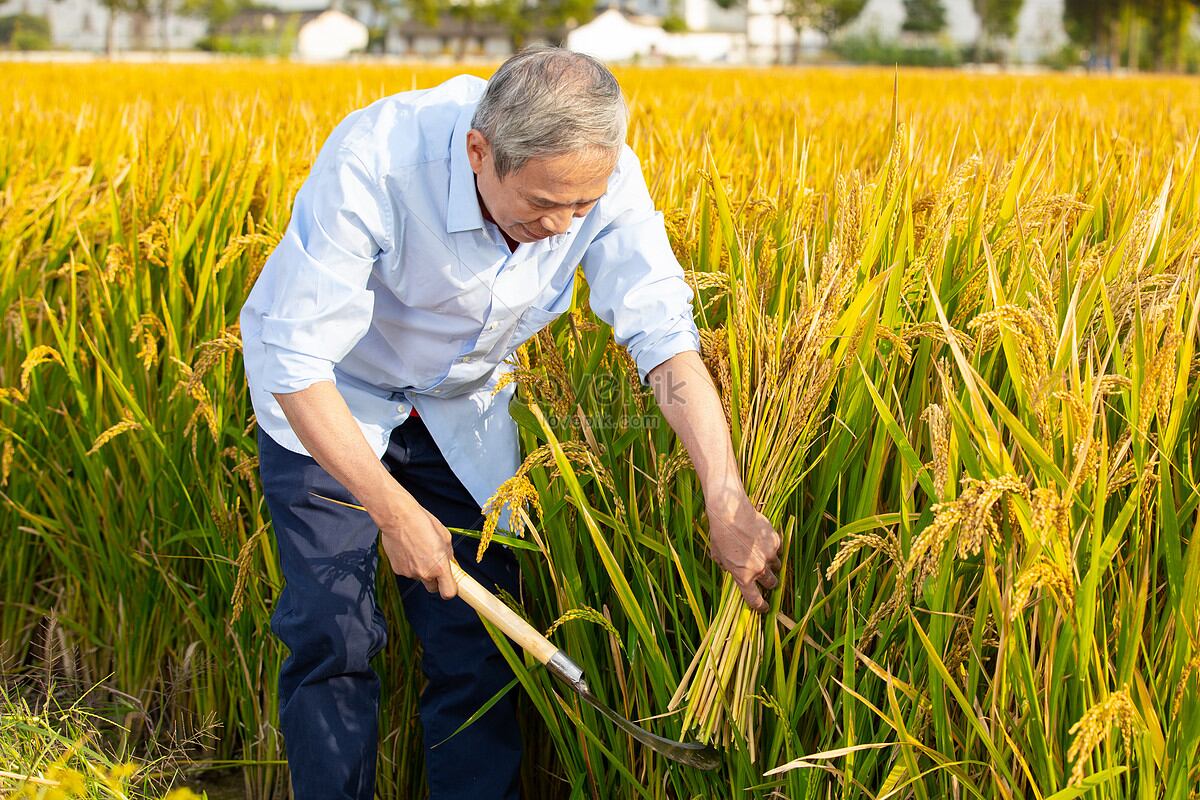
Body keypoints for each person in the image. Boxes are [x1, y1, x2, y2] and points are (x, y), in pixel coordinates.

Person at [239, 45, 782, 800]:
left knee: (479, 645)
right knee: (335, 632)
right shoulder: (377, 159)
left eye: (581, 208)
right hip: (333, 398)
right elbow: (296, 361)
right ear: (478, 152)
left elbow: (665, 344)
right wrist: (394, 512)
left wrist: (725, 497)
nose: (563, 227)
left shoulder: (599, 175)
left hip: (460, 404)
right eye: (539, 206)